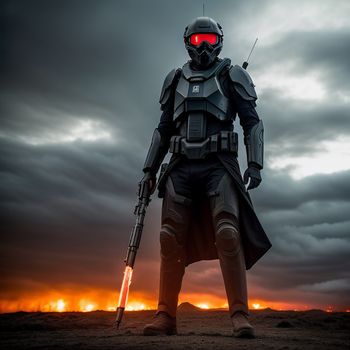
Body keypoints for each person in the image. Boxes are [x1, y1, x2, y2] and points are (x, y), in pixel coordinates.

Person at [141, 17, 271, 338]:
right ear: (188, 41)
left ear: (219, 41)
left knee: (228, 232)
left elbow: (252, 122)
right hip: (180, 166)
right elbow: (163, 129)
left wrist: (255, 164)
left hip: (219, 165)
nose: (203, 46)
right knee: (169, 238)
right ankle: (165, 316)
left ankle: (240, 315)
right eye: (198, 38)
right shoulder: (174, 79)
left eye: (209, 38)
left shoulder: (231, 75)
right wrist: (148, 170)